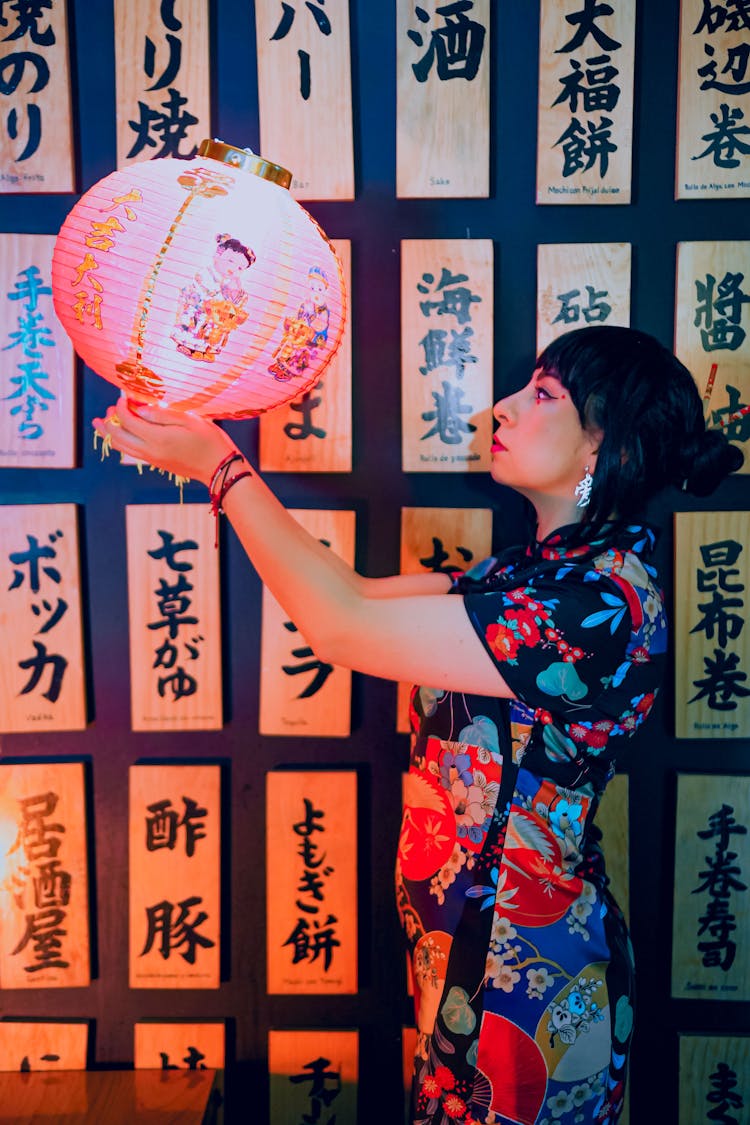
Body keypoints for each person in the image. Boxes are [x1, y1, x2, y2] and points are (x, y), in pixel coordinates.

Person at [93, 325, 742, 1125]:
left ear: (602, 448)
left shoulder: (601, 604)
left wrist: (222, 470)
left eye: (542, 395)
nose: (501, 408)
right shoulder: (524, 573)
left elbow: (340, 627)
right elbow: (352, 593)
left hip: (530, 974)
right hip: (463, 953)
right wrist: (208, 454)